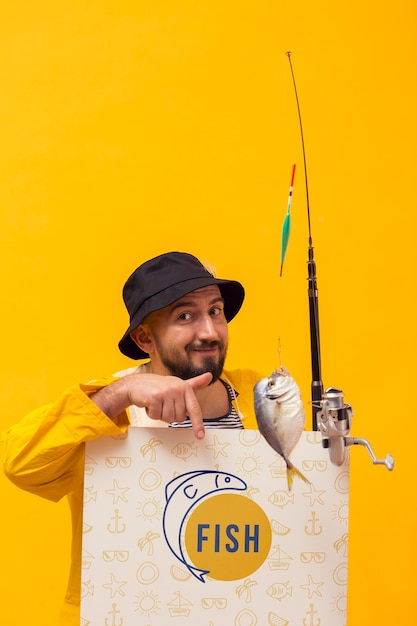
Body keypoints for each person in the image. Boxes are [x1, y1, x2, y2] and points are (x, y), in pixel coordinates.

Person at [1, 251, 263, 625]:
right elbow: (21, 464)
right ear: (144, 339)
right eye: (185, 316)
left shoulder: (260, 396)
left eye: (216, 311)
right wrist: (117, 394)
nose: (209, 331)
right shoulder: (109, 411)